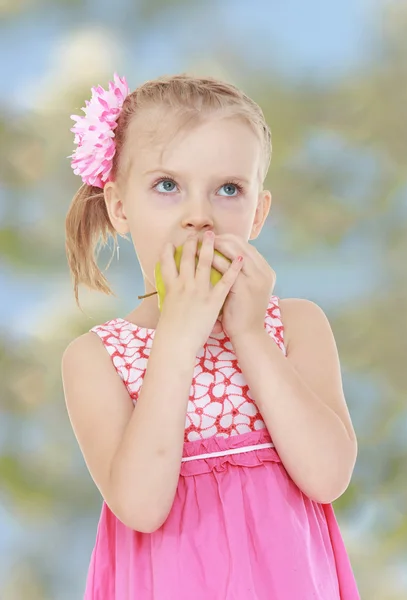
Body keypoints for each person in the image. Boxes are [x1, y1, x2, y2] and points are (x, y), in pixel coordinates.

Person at [61, 73, 359, 600]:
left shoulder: (295, 325)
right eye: (167, 186)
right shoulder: (96, 358)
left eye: (228, 190)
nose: (199, 216)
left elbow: (328, 475)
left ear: (258, 213)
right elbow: (141, 506)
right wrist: (177, 336)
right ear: (119, 207)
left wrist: (249, 333)